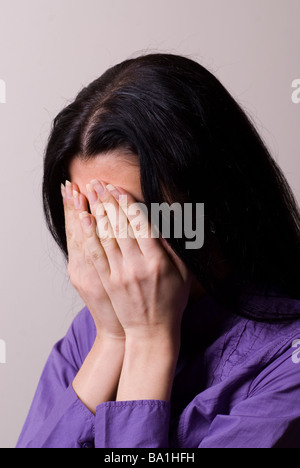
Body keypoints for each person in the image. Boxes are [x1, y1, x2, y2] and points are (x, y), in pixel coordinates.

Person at [17, 54, 300, 448]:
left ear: (213, 204)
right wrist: (114, 340)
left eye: (127, 217)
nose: (106, 241)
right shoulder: (90, 333)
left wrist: (149, 340)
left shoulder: (287, 366)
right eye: (90, 215)